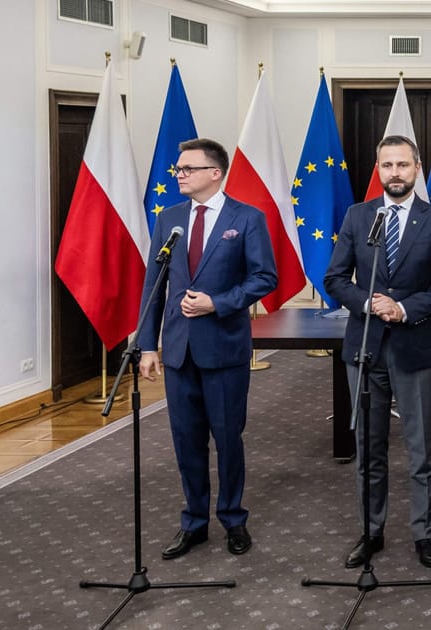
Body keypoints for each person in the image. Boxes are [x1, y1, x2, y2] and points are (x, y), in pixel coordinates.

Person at [138, 138, 278, 559]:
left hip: (224, 348)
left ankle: (233, 518)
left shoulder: (247, 218)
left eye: (187, 169)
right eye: (178, 169)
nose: (179, 175)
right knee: (187, 441)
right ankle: (194, 522)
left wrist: (218, 302)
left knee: (227, 438)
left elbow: (264, 278)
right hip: (178, 350)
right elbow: (154, 285)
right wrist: (147, 346)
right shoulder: (169, 219)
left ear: (214, 173)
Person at [324, 135, 431, 570]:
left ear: (417, 168)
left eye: (403, 164)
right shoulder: (359, 216)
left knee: (422, 450)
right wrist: (368, 302)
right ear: (378, 170)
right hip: (365, 349)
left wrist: (402, 308)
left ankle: (424, 534)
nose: (395, 172)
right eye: (387, 165)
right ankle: (371, 531)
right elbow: (335, 278)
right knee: (369, 449)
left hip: (415, 347)